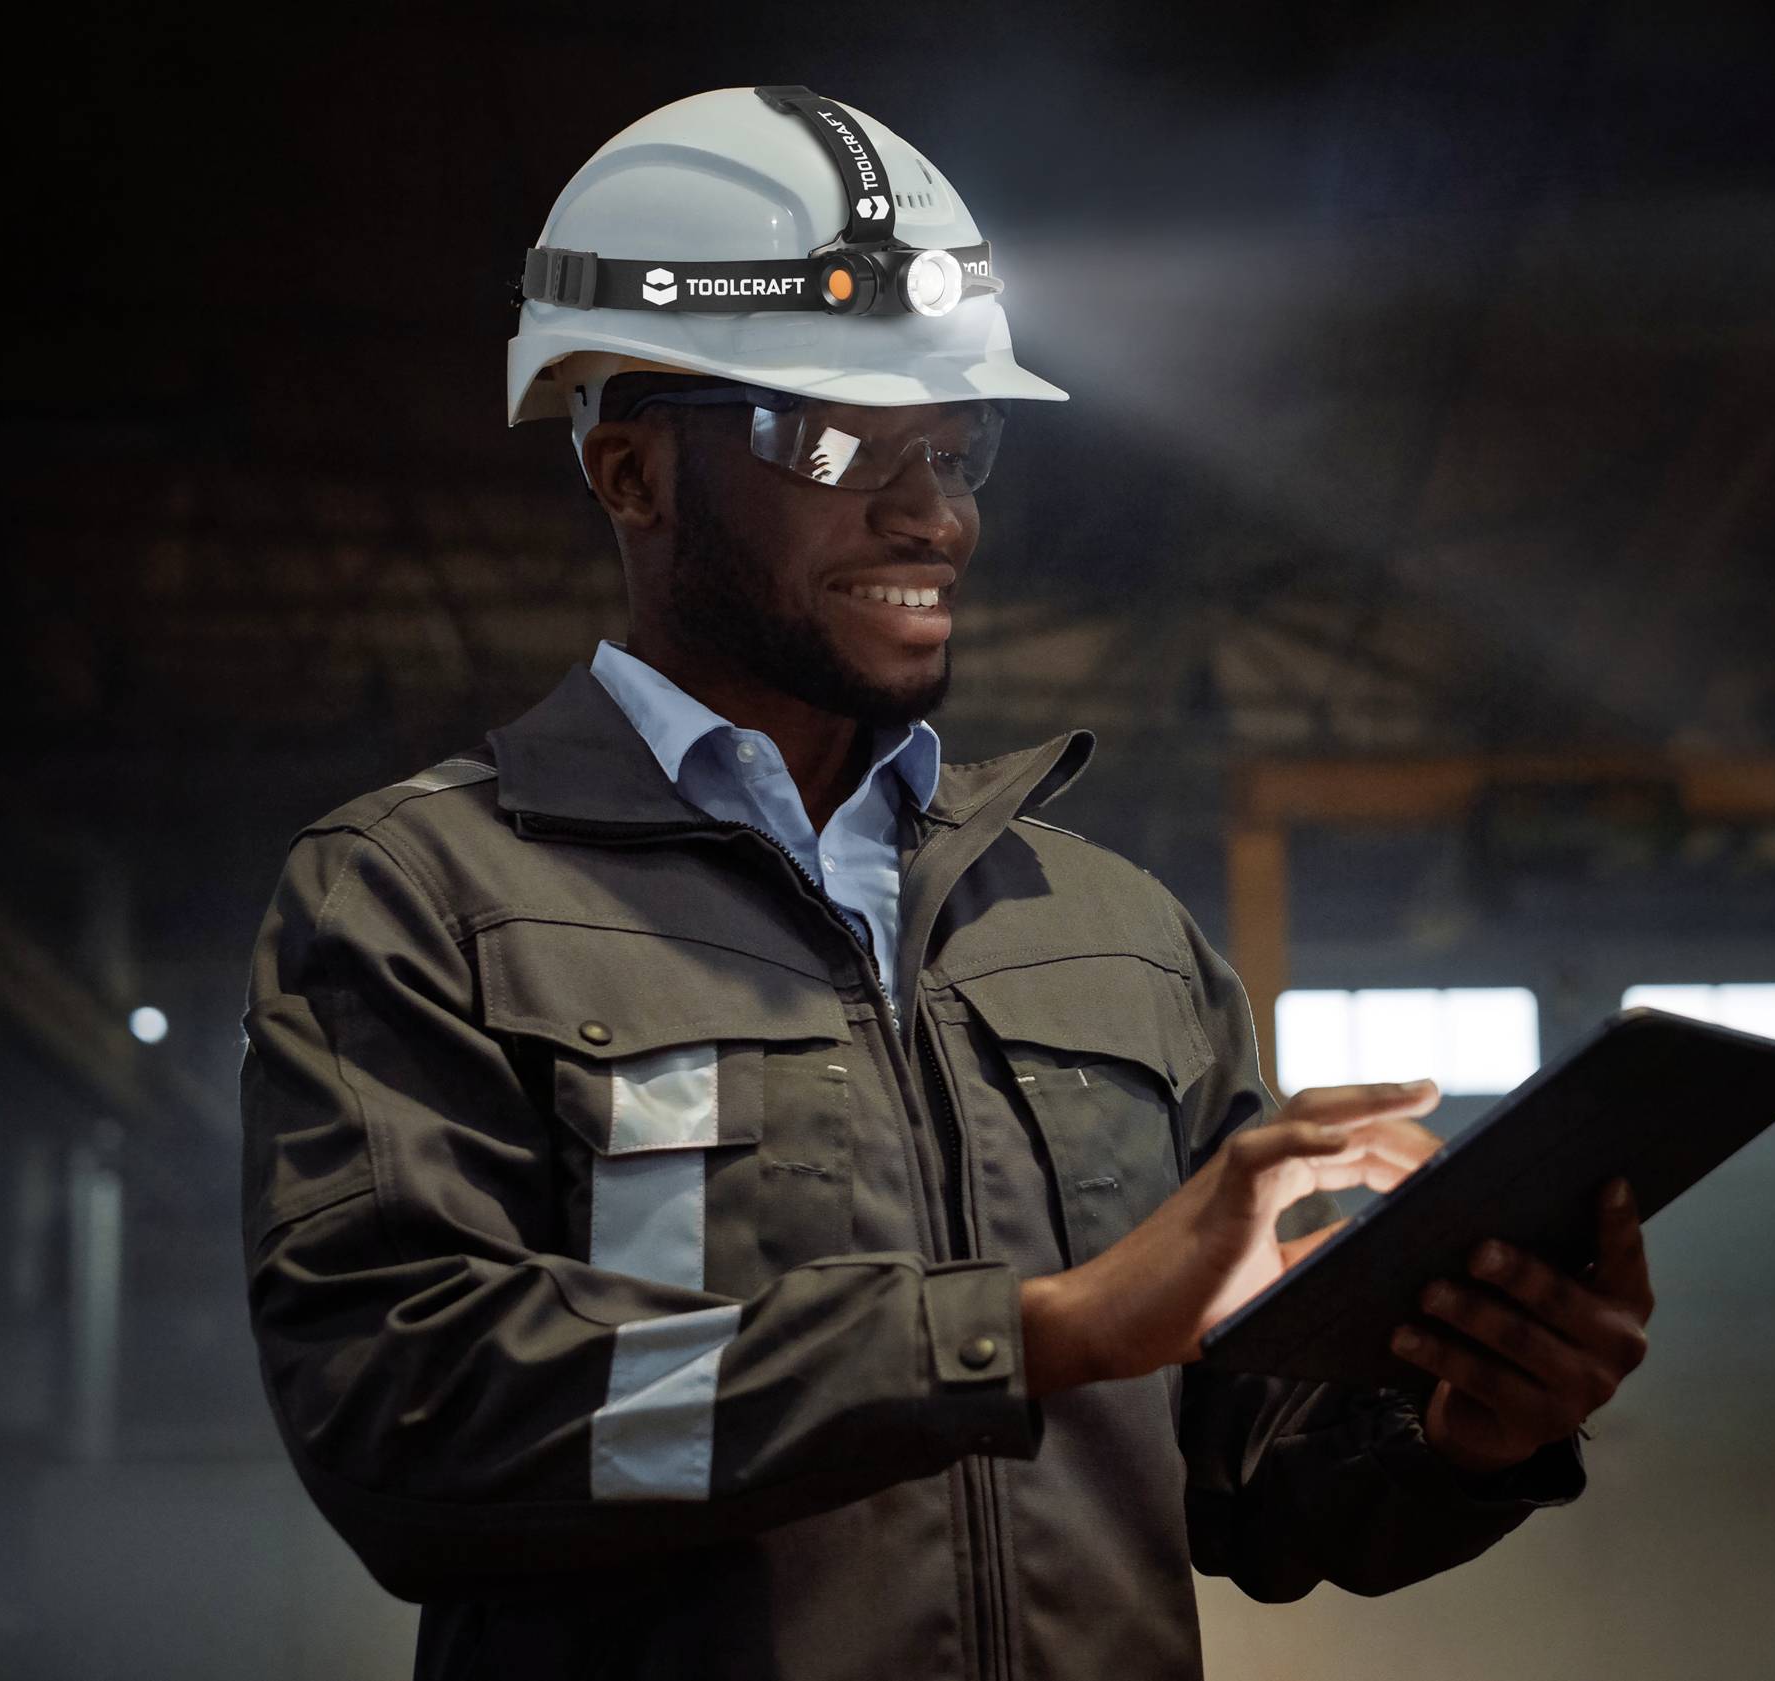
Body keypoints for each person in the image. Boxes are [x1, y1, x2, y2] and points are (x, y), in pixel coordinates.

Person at [239, 86, 1655, 1681]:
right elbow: (411, 1432)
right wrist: (1032, 1335)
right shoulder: (427, 897)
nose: (933, 514)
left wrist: (1465, 1431)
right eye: (840, 441)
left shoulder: (1112, 934)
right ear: (630, 474)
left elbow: (1248, 1483)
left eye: (953, 445)